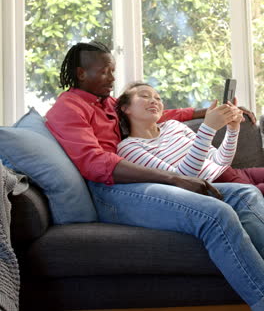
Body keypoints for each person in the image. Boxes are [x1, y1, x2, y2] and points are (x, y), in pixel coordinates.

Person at [46, 41, 264, 310]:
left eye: (113, 71)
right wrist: (172, 178)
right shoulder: (68, 108)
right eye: (104, 72)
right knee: (215, 214)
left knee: (244, 193)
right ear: (81, 74)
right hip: (108, 190)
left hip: (135, 182)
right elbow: (95, 163)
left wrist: (206, 113)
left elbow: (161, 114)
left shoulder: (107, 103)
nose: (113, 78)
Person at [116, 82, 264, 194]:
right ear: (125, 108)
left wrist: (233, 129)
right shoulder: (128, 148)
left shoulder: (173, 125)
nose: (154, 101)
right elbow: (183, 180)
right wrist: (208, 129)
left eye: (158, 98)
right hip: (219, 184)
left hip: (235, 173)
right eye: (145, 96)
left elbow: (220, 161)